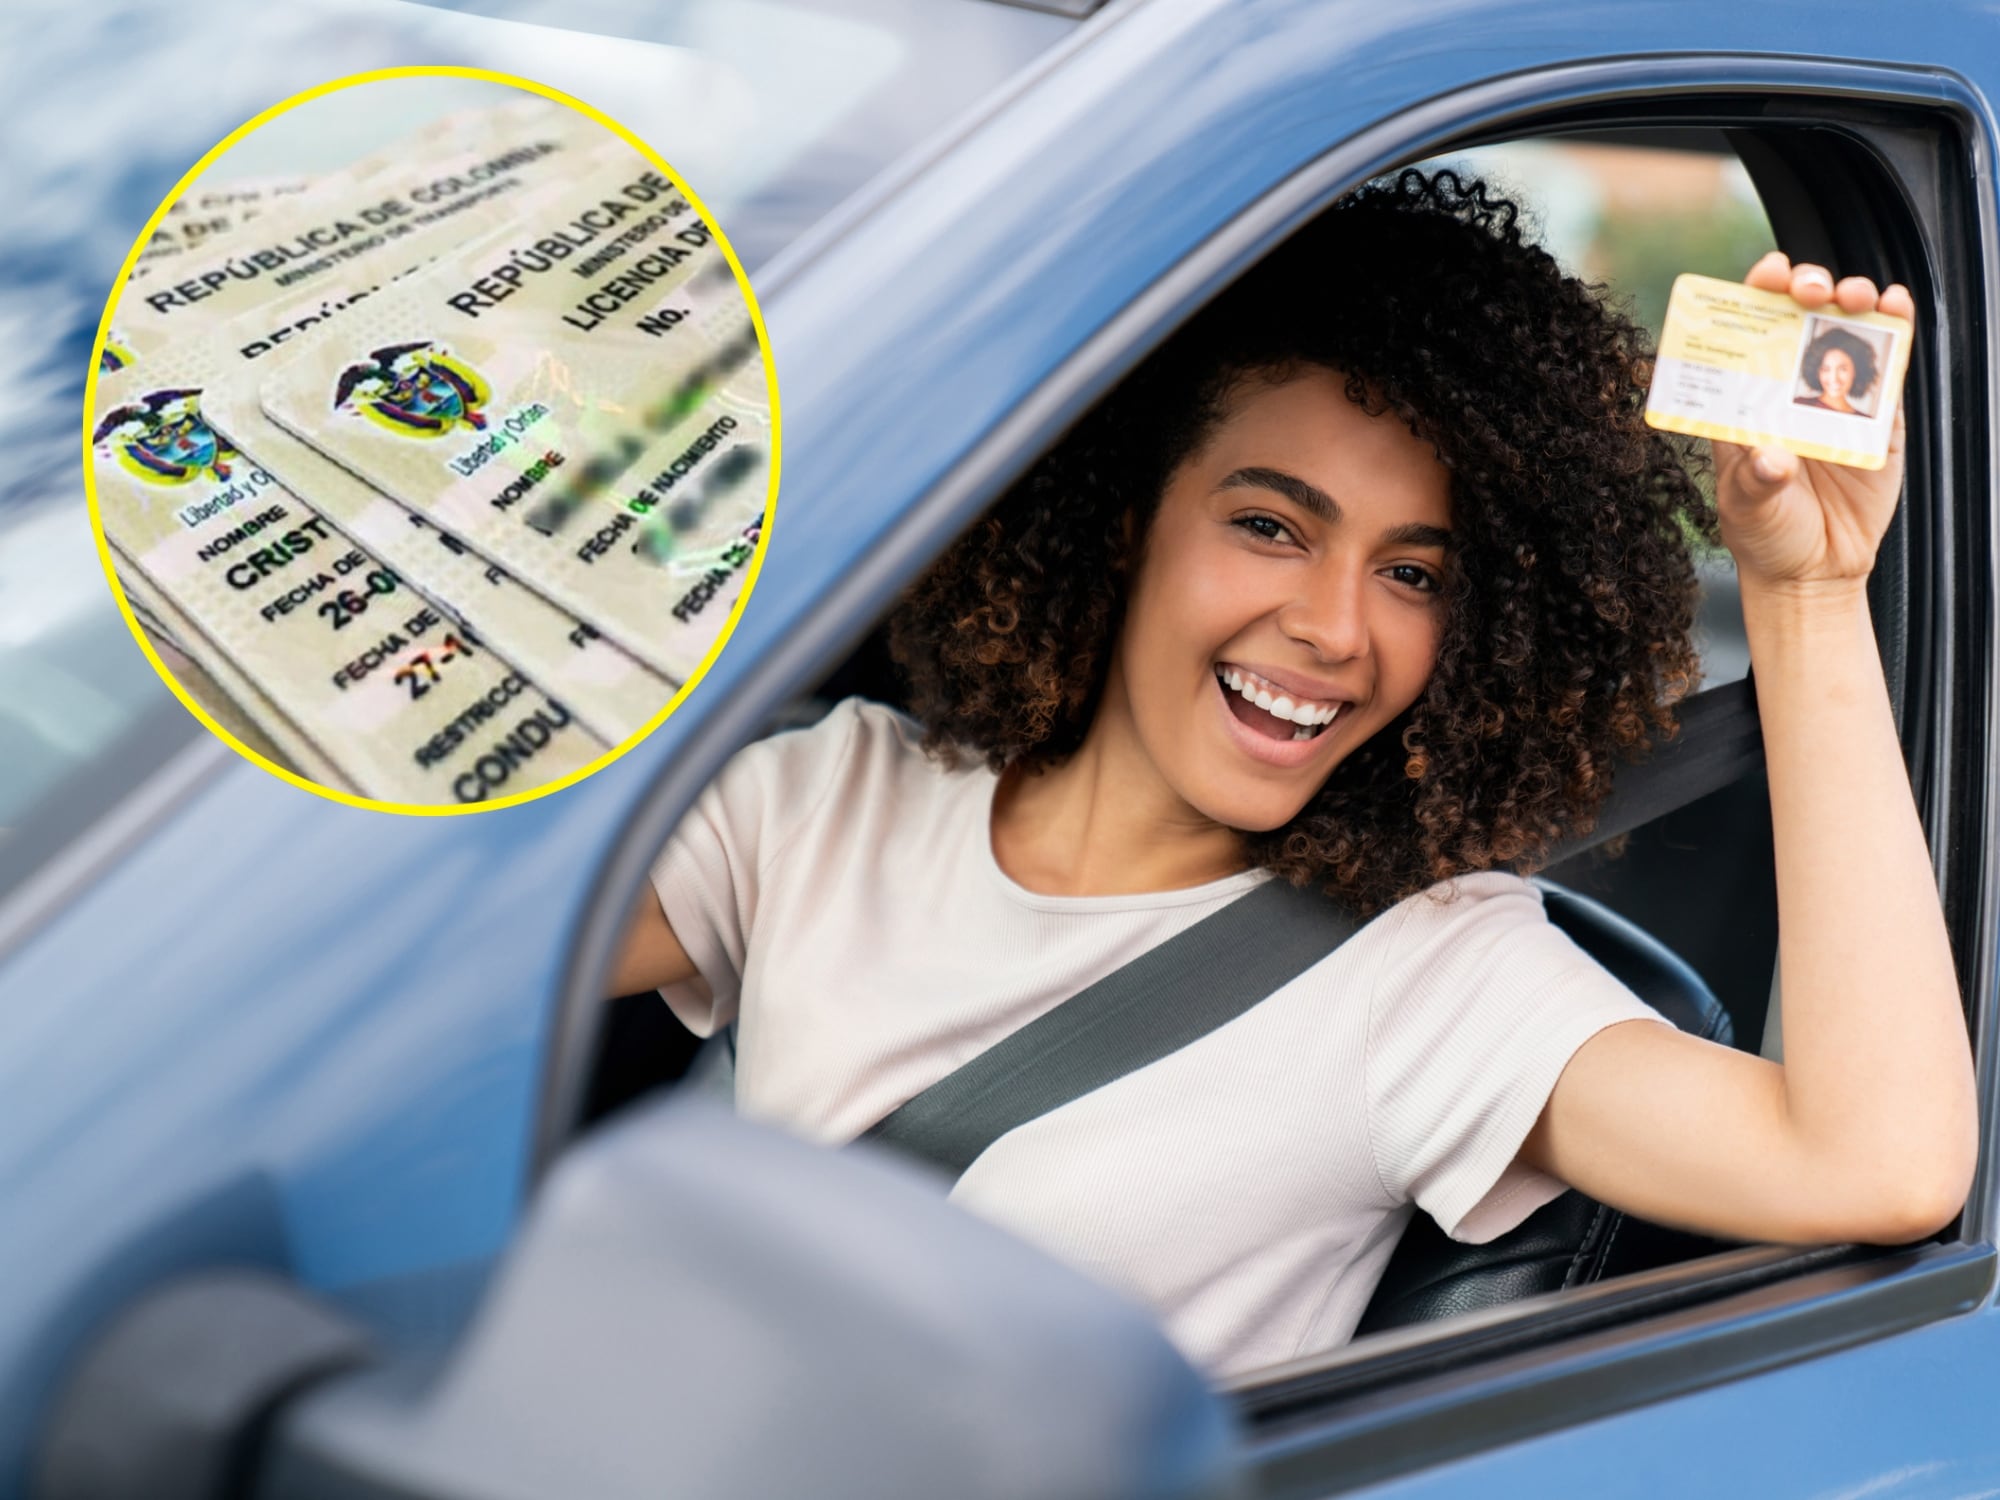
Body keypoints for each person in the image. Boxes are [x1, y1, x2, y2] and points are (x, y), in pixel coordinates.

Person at [611, 170, 1976, 1379]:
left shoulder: (1426, 980)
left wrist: (1805, 592)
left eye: (1411, 573)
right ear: (1123, 514)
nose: (1334, 627)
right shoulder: (833, 799)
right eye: (1270, 525)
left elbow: (1878, 1164)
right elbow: (424, 967)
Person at [1794, 323, 1881, 414]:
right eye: (1825, 369)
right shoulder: (1799, 403)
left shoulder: (1865, 421)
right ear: (1816, 372)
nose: (1834, 378)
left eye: (1843, 369)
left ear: (1856, 371)